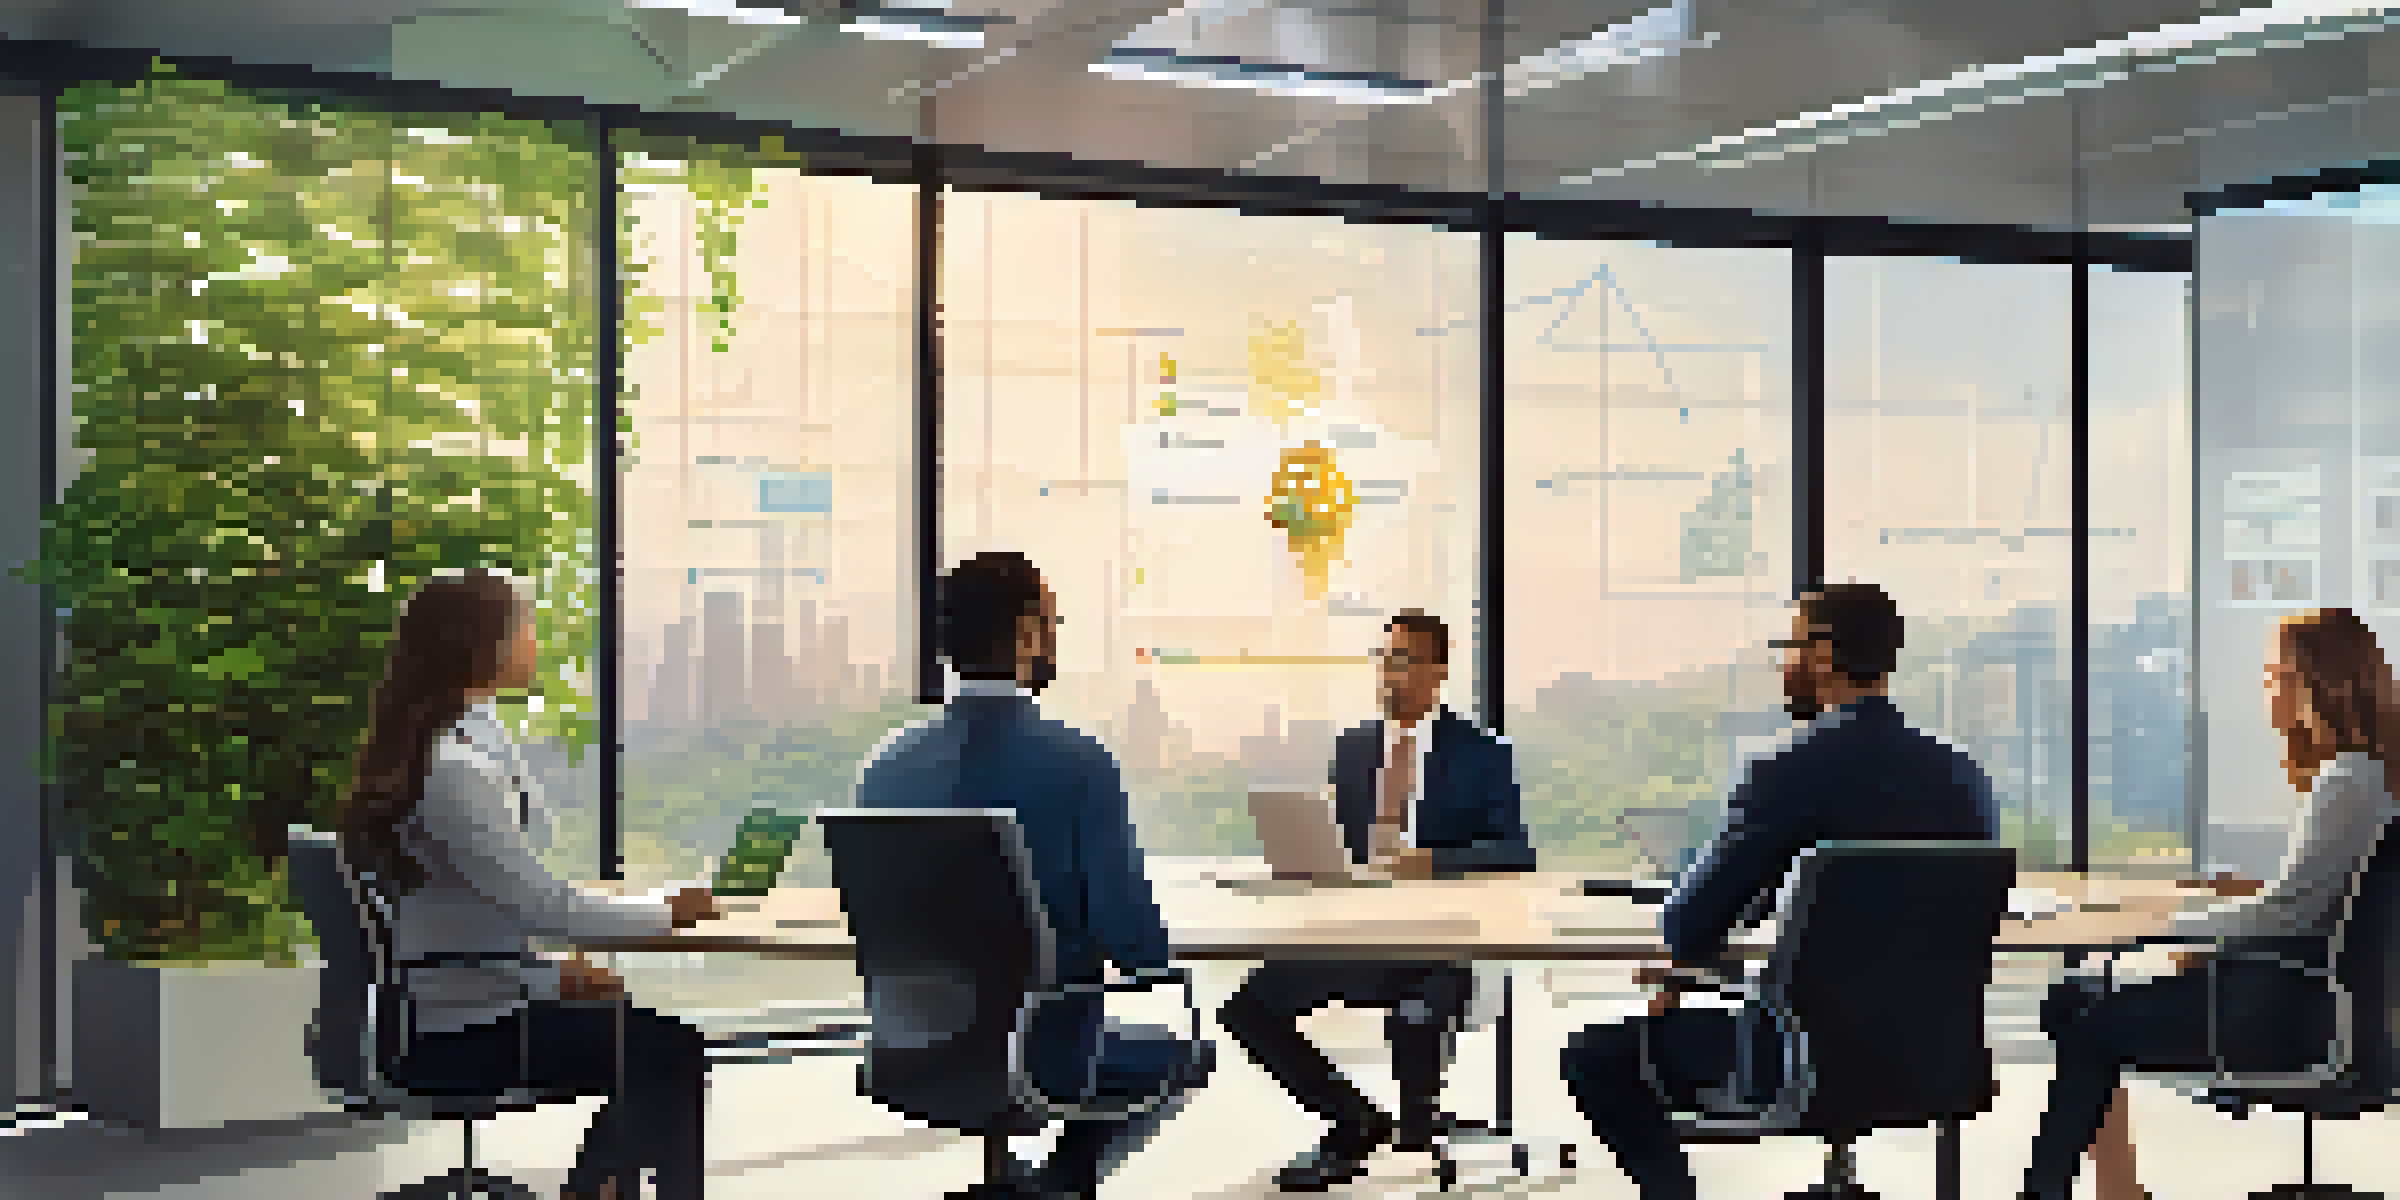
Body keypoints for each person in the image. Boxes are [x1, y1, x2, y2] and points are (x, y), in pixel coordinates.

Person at [1557, 583, 1999, 1200]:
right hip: (1937, 1060)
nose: (1782, 665)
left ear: (1822, 656)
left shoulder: (1786, 769)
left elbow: (1688, 927)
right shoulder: (1963, 777)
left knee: (1595, 1057)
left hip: (1802, 1060)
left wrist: (1694, 917)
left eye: (1787, 647)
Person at [338, 569, 724, 1200]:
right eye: (524, 627)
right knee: (666, 1050)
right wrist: (665, 911)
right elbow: (545, 906)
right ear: (481, 644)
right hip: (459, 1033)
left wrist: (549, 978)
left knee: (645, 1038)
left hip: (453, 1005)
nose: (534, 641)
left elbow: (464, 917)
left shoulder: (448, 749)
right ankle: (598, 1189)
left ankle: (598, 1187)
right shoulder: (453, 771)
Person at [853, 551, 1213, 1200]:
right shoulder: (1078, 765)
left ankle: (1035, 1186)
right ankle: (1063, 1185)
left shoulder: (885, 766)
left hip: (908, 1048)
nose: (1054, 638)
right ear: (1025, 635)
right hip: (1042, 1052)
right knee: (1183, 1055)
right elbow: (1136, 947)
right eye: (1053, 622)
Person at [2019, 607, 2400, 1200]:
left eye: (2278, 673)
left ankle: (2052, 1194)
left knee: (2089, 1023)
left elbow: (2287, 917)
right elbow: (2332, 904)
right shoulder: (2376, 779)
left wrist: (2181, 932)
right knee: (2074, 996)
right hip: (2317, 1003)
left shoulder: (2347, 782)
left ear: (2318, 685)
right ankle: (2116, 1190)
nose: (2269, 687)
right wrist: (2253, 895)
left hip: (2283, 1012)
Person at [1217, 609, 1537, 1192]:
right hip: (1356, 935)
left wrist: (1434, 863)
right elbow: (1338, 841)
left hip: (1442, 942)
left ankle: (1416, 1130)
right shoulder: (1355, 747)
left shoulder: (1482, 753)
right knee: (1247, 1007)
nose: (1390, 674)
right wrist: (1308, 867)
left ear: (1437, 671)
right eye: (1385, 659)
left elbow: (1516, 852)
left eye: (1405, 661)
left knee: (1417, 1018)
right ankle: (1351, 1121)